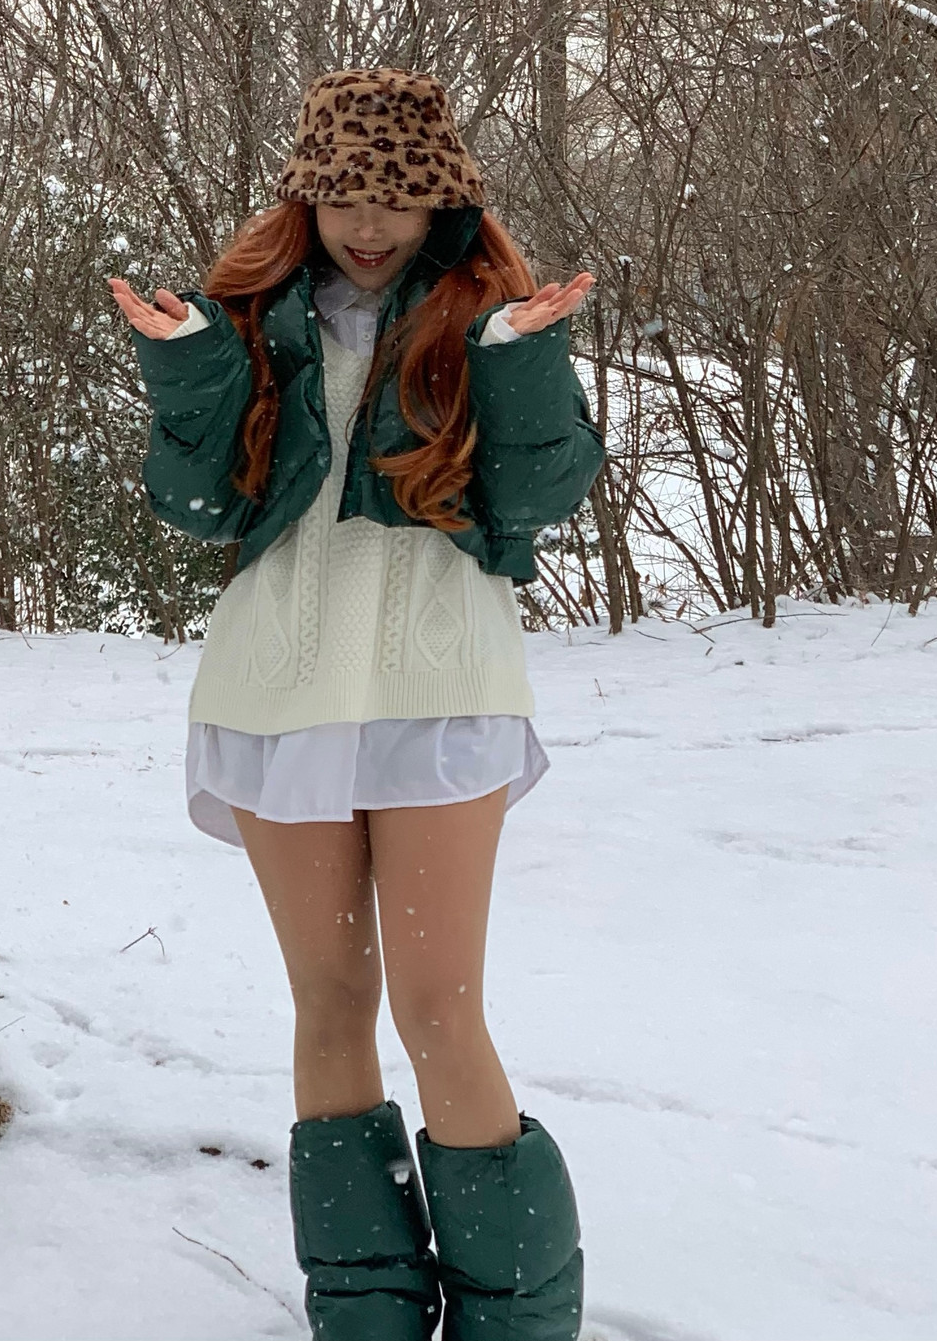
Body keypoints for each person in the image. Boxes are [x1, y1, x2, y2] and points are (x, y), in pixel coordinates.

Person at [110, 68, 604, 1340]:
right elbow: (198, 507)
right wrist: (186, 367)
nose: (368, 223)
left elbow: (538, 496)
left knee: (440, 1007)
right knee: (330, 1003)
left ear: (441, 202)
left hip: (439, 689)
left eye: (396, 196)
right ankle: (365, 1314)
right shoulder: (245, 323)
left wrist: (519, 362)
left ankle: (515, 1321)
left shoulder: (485, 321)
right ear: (306, 200)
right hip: (278, 687)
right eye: (342, 197)